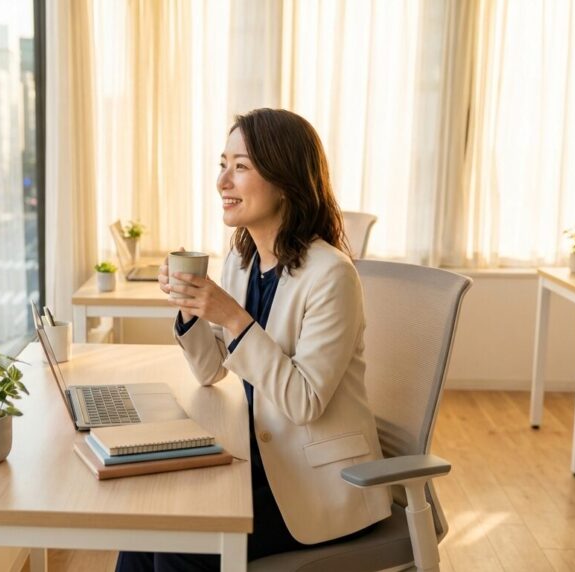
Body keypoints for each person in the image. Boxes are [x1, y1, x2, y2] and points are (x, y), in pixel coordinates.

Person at [116, 108, 391, 572]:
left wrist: (230, 315)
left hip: (319, 484)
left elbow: (304, 402)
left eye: (241, 166)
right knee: (147, 525)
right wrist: (192, 309)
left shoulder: (331, 275)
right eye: (222, 164)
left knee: (180, 548)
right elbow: (211, 371)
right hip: (259, 460)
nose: (222, 181)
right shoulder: (241, 263)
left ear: (285, 181)